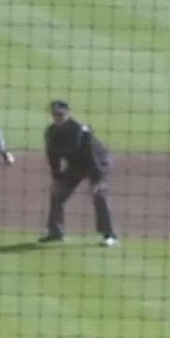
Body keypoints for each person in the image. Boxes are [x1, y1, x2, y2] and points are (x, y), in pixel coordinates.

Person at [41, 99, 118, 247]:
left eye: (60, 114)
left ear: (68, 114)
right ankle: (55, 232)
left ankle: (110, 235)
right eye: (54, 114)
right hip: (75, 165)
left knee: (99, 194)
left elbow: (93, 155)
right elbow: (53, 158)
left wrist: (98, 180)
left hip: (98, 163)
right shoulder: (51, 132)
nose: (57, 117)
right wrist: (56, 178)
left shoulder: (80, 131)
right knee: (57, 193)